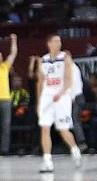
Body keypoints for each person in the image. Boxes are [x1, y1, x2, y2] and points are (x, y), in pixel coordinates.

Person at [30, 34, 82, 173]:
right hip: (47, 96)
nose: (59, 43)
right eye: (55, 41)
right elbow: (40, 82)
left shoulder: (65, 58)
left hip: (62, 96)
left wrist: (61, 92)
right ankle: (47, 161)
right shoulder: (43, 60)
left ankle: (75, 149)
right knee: (45, 128)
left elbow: (69, 80)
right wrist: (39, 102)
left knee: (63, 130)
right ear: (49, 44)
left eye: (59, 41)